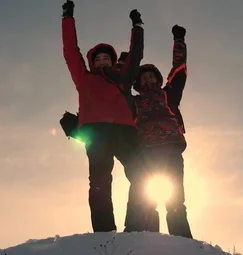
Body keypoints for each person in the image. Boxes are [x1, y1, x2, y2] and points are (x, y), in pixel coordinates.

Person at [61, 0, 145, 233]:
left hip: (124, 130)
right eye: (96, 59)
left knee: (142, 175)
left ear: (112, 60)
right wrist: (68, 18)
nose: (101, 61)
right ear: (91, 63)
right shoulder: (84, 79)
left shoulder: (123, 78)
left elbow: (136, 55)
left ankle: (136, 227)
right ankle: (104, 232)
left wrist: (137, 26)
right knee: (99, 182)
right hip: (96, 131)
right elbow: (70, 51)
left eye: (105, 58)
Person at [130, 24, 193, 239]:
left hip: (171, 148)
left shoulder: (169, 94)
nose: (148, 80)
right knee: (148, 200)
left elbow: (179, 68)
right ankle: (150, 241)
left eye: (151, 76)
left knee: (176, 200)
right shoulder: (135, 102)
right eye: (143, 78)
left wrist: (179, 40)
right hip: (146, 152)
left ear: (158, 79)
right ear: (138, 84)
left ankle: (184, 242)